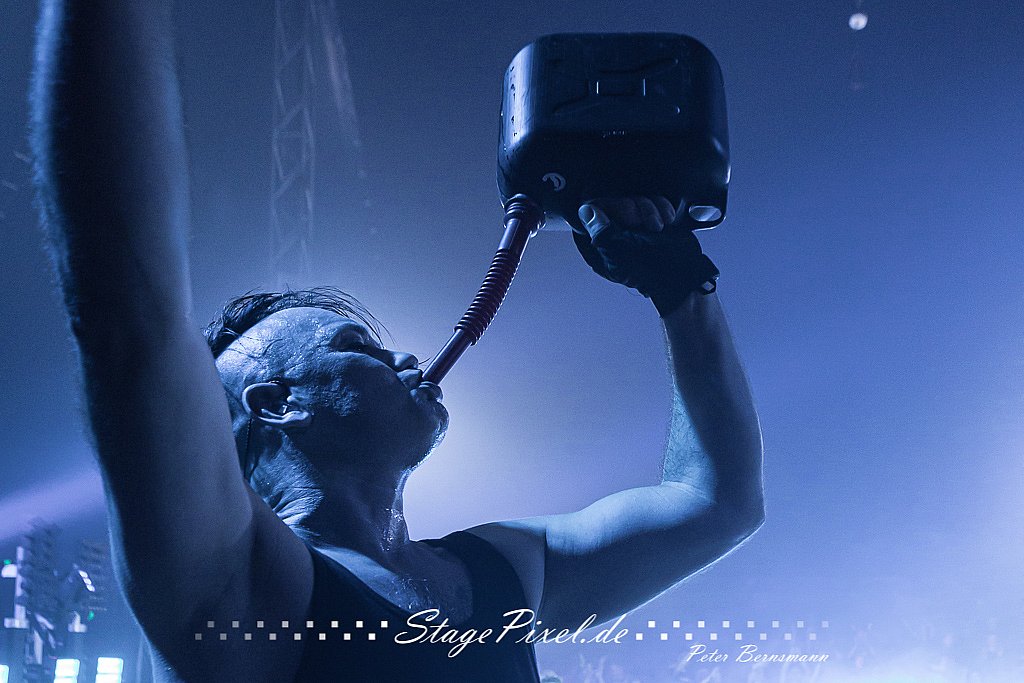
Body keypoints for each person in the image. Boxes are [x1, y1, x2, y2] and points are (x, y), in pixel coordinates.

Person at [30, 2, 764, 681]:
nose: (405, 358)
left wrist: (680, 288)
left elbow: (715, 503)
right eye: (360, 348)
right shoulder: (239, 580)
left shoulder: (502, 570)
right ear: (277, 402)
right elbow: (127, 320)